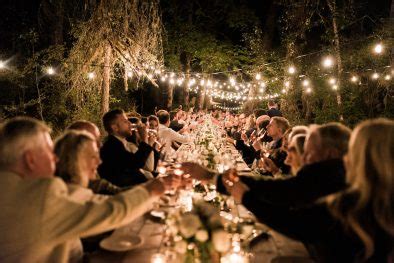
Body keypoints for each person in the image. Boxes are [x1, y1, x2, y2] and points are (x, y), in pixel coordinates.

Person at [0, 117, 177, 263]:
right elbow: (111, 210)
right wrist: (157, 187)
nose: (55, 158)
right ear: (30, 159)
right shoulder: (40, 196)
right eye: (48, 150)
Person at [226, 118, 394, 262]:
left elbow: (298, 223)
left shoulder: (351, 201)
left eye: (353, 150)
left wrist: (244, 195)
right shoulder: (372, 200)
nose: (347, 157)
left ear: (363, 157)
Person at [98, 109, 155, 187]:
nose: (130, 123)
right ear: (115, 127)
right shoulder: (112, 146)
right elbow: (136, 163)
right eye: (125, 121)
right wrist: (144, 140)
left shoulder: (119, 142)